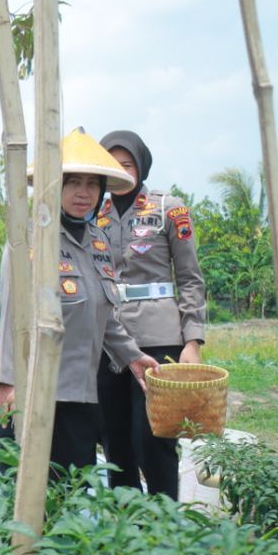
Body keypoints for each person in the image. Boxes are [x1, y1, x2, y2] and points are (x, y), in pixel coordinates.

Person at [0, 129, 159, 473]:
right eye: (73, 182)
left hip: (79, 394)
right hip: (31, 391)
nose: (84, 193)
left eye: (93, 184)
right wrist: (7, 382)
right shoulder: (30, 238)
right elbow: (12, 315)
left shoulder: (97, 241)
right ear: (55, 186)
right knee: (23, 497)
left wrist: (134, 357)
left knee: (70, 492)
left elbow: (104, 316)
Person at [94, 130, 207, 500]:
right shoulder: (94, 211)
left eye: (126, 164)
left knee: (153, 436)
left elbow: (190, 278)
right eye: (111, 165)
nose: (120, 172)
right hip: (108, 340)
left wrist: (193, 341)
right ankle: (126, 526)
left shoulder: (168, 208)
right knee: (114, 439)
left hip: (159, 338)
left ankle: (163, 523)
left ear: (140, 166)